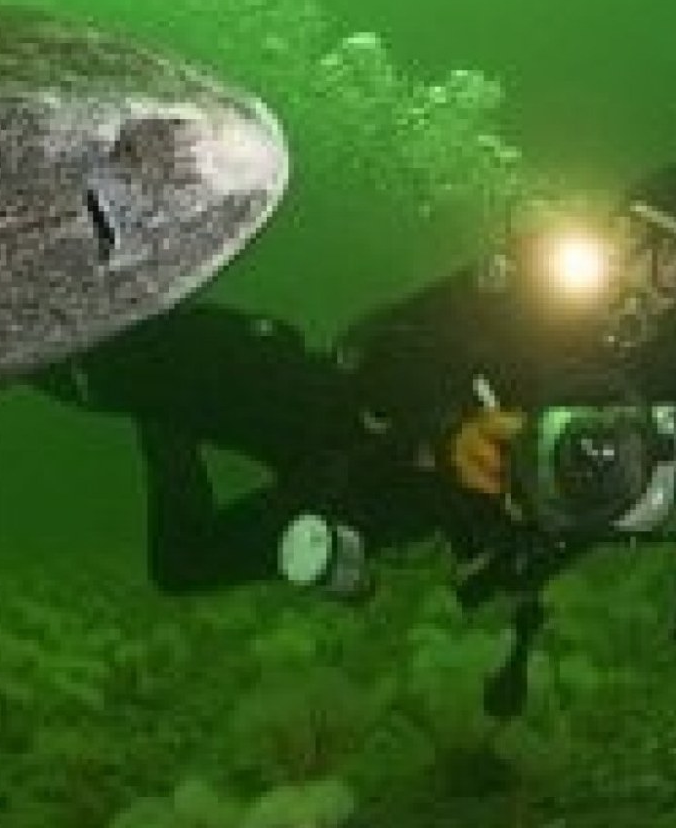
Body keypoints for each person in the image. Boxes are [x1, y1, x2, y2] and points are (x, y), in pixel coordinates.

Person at [34, 166, 676, 609]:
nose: (656, 284)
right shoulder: (545, 282)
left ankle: (165, 428)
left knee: (183, 564)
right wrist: (449, 427)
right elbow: (385, 343)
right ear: (627, 232)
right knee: (119, 355)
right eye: (664, 255)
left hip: (391, 505)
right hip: (331, 408)